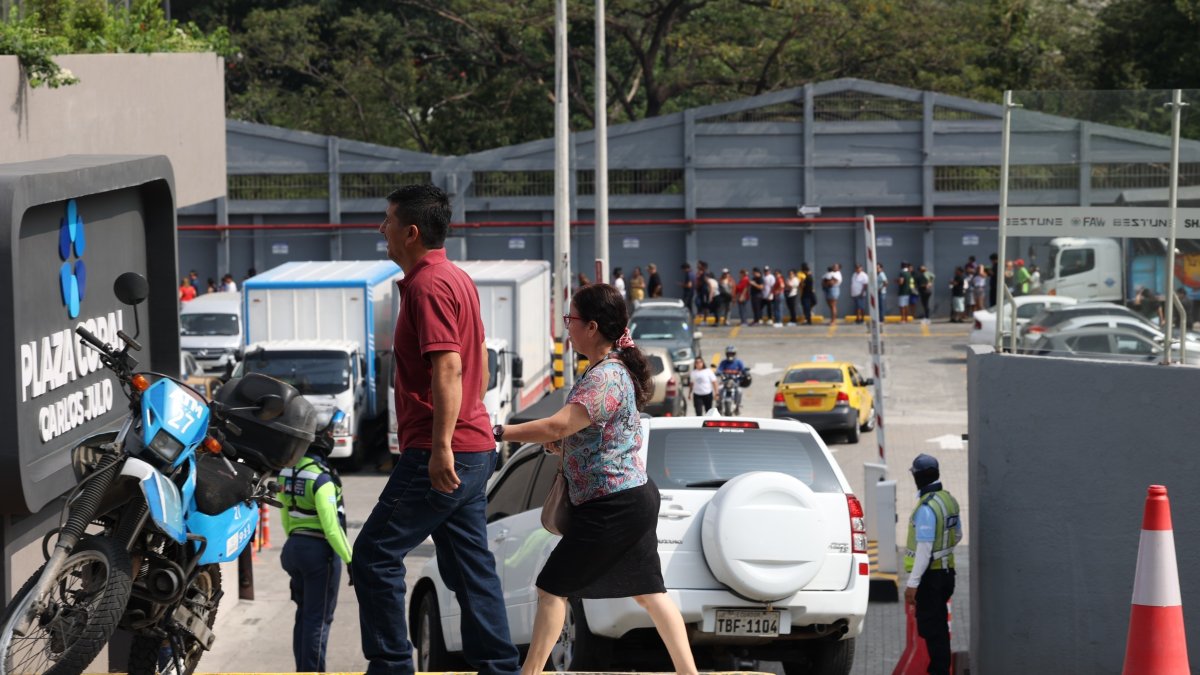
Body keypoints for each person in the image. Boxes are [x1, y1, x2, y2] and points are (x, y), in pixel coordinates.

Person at [354, 184, 520, 675]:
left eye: (386, 221)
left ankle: (391, 666)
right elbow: (478, 364)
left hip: (441, 450)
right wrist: (467, 423)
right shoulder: (456, 278)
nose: (380, 230)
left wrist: (442, 446)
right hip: (473, 445)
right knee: (470, 569)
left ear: (410, 232)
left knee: (373, 556)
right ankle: (499, 667)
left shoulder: (428, 286)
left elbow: (449, 366)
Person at [494, 283, 698, 675]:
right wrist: (565, 445)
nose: (567, 327)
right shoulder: (608, 369)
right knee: (649, 594)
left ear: (591, 327)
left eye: (570, 319)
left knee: (552, 587)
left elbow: (557, 424)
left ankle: (529, 673)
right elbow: (592, 433)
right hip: (629, 497)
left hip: (613, 504)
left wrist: (499, 431)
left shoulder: (605, 377)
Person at [278, 410, 353, 673]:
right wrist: (350, 560)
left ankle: (303, 669)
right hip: (319, 554)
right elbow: (332, 528)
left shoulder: (286, 473)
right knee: (318, 619)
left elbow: (285, 516)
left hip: (293, 548)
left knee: (303, 615)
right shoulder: (322, 479)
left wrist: (295, 543)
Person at [904, 453, 962, 675]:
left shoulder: (926, 508)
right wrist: (944, 550)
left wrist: (912, 584)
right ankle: (940, 669)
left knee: (932, 629)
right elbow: (958, 535)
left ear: (918, 477)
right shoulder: (949, 500)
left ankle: (939, 671)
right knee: (938, 627)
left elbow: (924, 550)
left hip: (931, 578)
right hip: (947, 574)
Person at [716, 346, 747, 414]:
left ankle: (737, 406)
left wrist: (744, 373)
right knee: (719, 388)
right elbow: (719, 369)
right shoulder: (723, 362)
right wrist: (718, 373)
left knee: (739, 391)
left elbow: (743, 370)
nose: (730, 355)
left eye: (732, 354)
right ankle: (719, 404)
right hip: (725, 381)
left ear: (735, 354)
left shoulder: (739, 362)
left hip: (735, 382)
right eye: (729, 354)